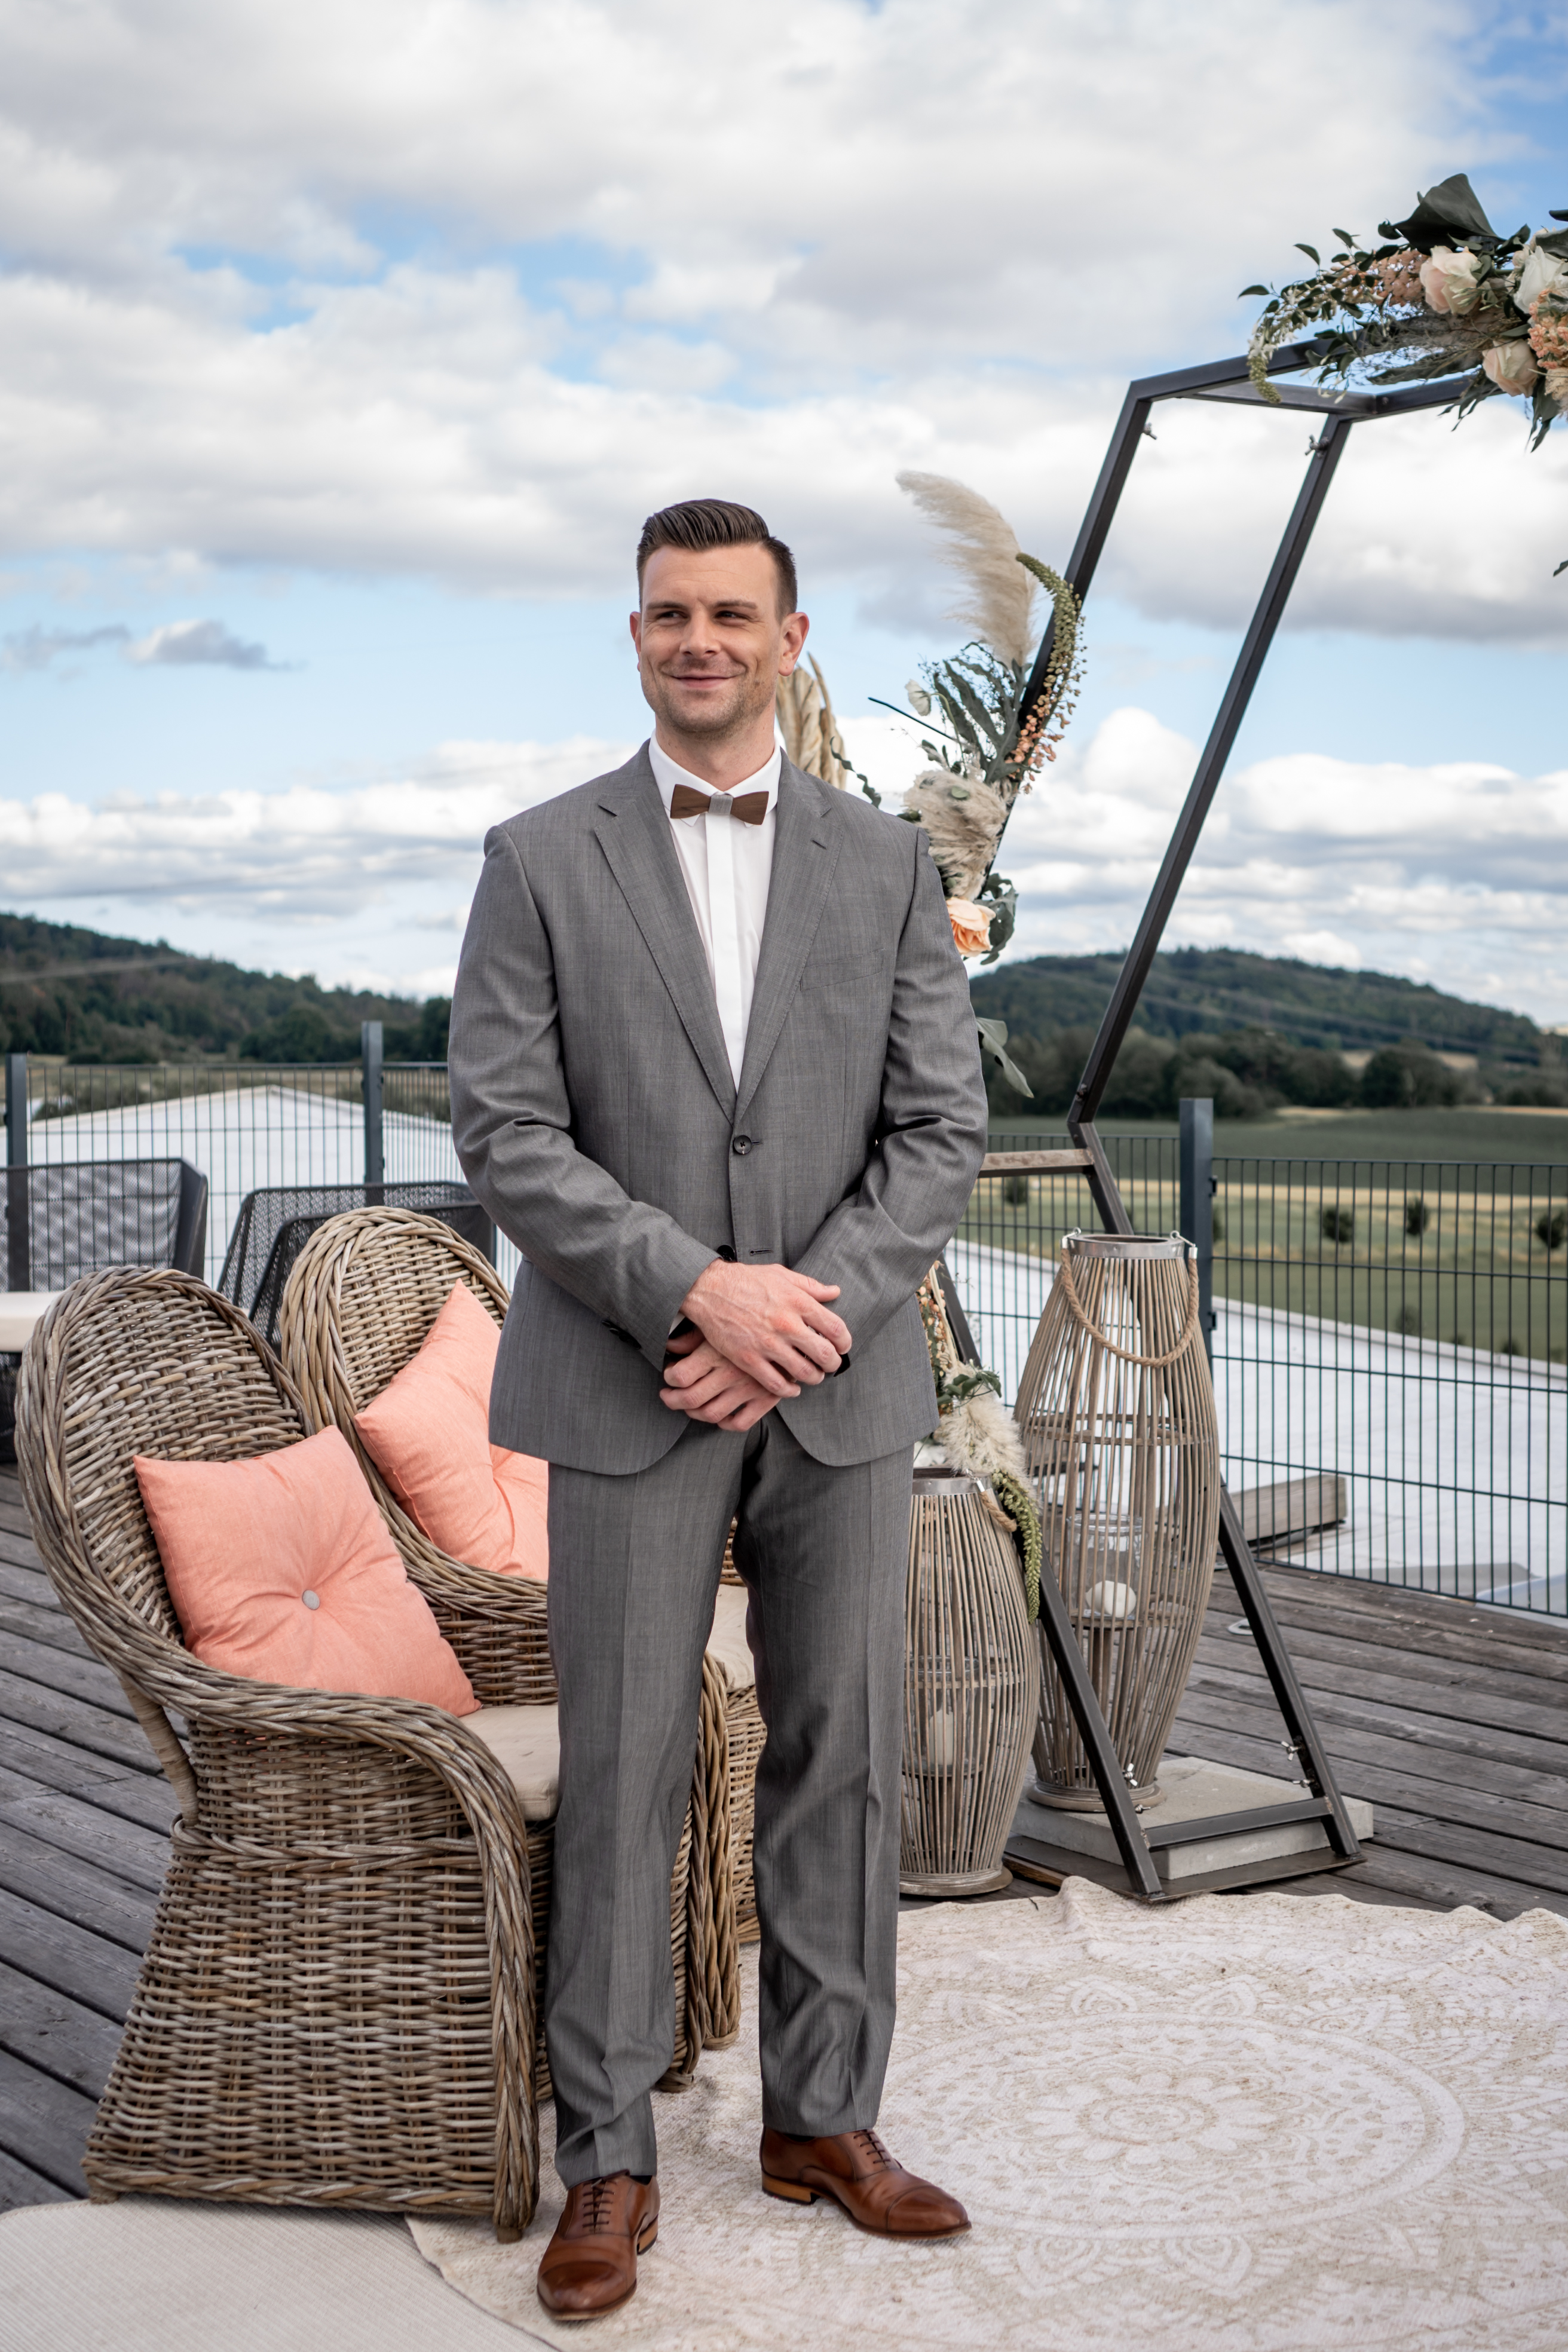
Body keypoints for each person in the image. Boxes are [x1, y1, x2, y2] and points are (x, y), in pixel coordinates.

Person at [449, 497, 988, 2321]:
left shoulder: (888, 864)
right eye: (670, 613)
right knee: (622, 1769)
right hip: (628, 1381)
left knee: (841, 1764)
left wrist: (795, 1314)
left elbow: (940, 1132)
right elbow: (507, 1131)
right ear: (636, 637)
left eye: (733, 614)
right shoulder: (536, 857)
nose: (701, 640)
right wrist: (698, 1289)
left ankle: (822, 2120)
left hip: (834, 1395)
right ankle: (603, 2159)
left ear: (792, 634)